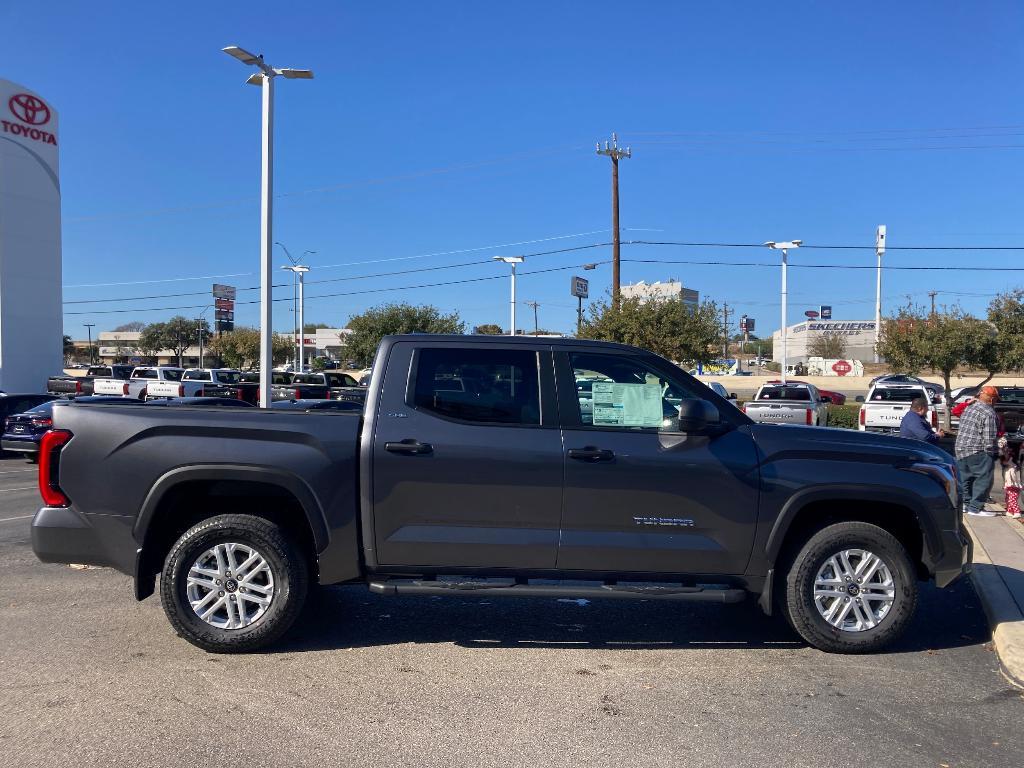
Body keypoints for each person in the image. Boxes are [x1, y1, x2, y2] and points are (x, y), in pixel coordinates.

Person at [954, 385, 1001, 517]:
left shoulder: (969, 407)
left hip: (960, 448)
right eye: (996, 399)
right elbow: (989, 438)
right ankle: (976, 508)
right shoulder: (989, 413)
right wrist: (993, 453)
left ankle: (965, 504)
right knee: (984, 479)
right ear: (991, 400)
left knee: (965, 478)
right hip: (977, 449)